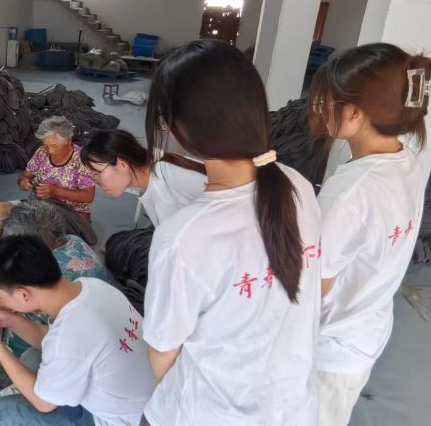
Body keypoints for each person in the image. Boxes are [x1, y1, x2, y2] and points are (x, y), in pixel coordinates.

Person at [142, 40, 322, 425]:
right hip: (292, 410)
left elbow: (162, 353)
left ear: (175, 128)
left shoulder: (184, 236)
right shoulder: (298, 186)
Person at [308, 43, 429, 426]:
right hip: (368, 327)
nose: (320, 109)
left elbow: (313, 289)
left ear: (354, 112)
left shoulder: (349, 194)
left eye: (326, 101)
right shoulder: (408, 161)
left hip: (330, 347)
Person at [0, 235, 155, 426]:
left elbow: (43, 404)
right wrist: (11, 320)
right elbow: (50, 339)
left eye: (0, 296)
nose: (0, 302)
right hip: (150, 395)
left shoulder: (67, 338)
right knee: (31, 357)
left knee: (0, 413)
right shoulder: (90, 286)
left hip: (126, 420)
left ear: (23, 294)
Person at [0, 201, 111, 371]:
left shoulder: (36, 276)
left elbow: (0, 307)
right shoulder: (72, 241)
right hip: (67, 325)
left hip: (29, 338)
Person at [0, 116, 95, 248]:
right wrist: (24, 181)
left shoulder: (81, 160)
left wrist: (56, 191)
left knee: (40, 232)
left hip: (70, 213)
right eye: (46, 145)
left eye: (55, 146)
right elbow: (26, 174)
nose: (50, 151)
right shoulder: (42, 152)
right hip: (39, 207)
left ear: (68, 141)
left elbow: (88, 196)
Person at [80, 129, 206, 226]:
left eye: (97, 173)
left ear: (122, 164)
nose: (96, 181)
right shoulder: (156, 166)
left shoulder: (172, 180)